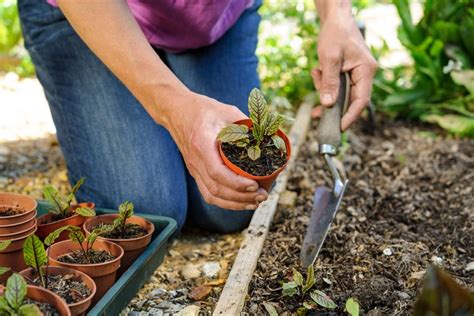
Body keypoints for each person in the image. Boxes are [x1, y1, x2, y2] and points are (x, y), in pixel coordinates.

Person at [18, 0, 377, 233]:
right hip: (92, 16)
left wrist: (337, 16)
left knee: (233, 202)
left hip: (209, 19)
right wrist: (175, 110)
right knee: (150, 214)